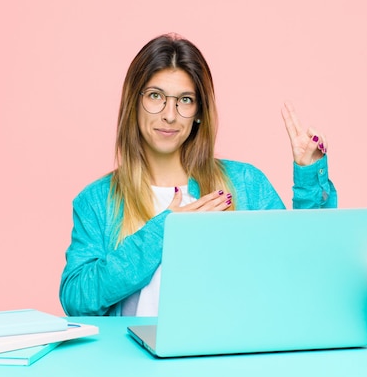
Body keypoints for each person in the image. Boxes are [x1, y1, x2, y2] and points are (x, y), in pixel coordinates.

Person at [59, 33, 337, 316]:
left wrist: (309, 177)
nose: (170, 115)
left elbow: (303, 268)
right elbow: (76, 299)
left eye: (185, 100)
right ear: (134, 103)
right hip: (131, 359)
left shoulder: (245, 184)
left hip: (228, 356)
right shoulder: (97, 200)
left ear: (198, 112)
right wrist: (164, 232)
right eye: (156, 96)